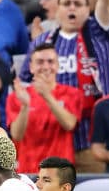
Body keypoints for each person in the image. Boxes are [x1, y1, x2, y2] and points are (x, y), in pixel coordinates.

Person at [19, 0, 109, 173]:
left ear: (88, 10)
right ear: (57, 10)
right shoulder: (41, 42)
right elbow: (24, 84)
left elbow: (107, 5)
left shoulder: (99, 35)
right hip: (51, 142)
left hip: (92, 143)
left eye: (78, 4)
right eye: (66, 4)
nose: (72, 8)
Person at [6, 43, 83, 173]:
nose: (46, 66)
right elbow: (17, 135)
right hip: (29, 170)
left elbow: (69, 124)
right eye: (40, 62)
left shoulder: (72, 94)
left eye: (51, 61)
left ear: (58, 66)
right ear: (31, 67)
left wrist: (46, 95)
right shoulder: (17, 96)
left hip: (61, 171)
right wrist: (25, 106)